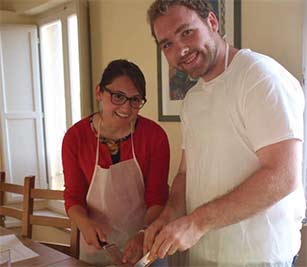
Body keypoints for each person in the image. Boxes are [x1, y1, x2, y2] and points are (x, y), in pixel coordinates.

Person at [144, 1, 306, 266]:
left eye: (187, 32)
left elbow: (283, 175)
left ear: (212, 22)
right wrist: (168, 215)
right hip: (204, 255)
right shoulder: (192, 100)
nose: (180, 50)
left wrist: (196, 223)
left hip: (258, 257)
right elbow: (186, 173)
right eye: (167, 44)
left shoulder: (259, 78)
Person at [62, 59, 170, 266]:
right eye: (118, 97)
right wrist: (84, 224)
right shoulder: (75, 137)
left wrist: (143, 235)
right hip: (97, 247)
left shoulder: (154, 136)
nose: (126, 108)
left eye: (135, 100)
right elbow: (73, 196)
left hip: (145, 244)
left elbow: (157, 197)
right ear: (99, 93)